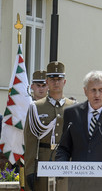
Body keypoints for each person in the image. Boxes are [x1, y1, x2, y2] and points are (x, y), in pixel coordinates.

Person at [23, 62, 75, 191]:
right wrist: (29, 170)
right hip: (43, 159)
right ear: (47, 81)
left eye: (59, 79)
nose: (56, 83)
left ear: (65, 81)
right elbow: (30, 141)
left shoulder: (73, 107)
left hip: (66, 161)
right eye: (52, 79)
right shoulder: (36, 107)